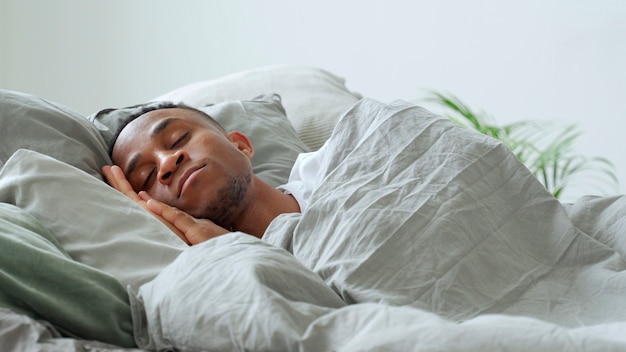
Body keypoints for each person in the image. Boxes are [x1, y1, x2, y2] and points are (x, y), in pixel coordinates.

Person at [102, 103, 301, 245]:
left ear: (240, 145)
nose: (167, 162)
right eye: (147, 176)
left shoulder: (329, 168)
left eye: (178, 139)